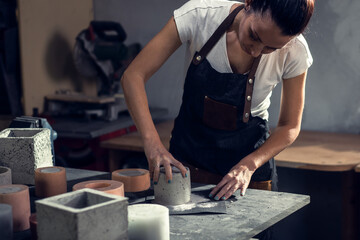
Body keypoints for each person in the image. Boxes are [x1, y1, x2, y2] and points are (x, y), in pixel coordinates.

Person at [121, 0, 314, 201]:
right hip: (189, 160)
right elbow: (133, 76)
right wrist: (152, 145)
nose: (256, 51)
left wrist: (248, 166)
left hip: (249, 171)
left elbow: (289, 126)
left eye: (271, 48)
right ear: (249, 3)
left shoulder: (295, 50)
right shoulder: (199, 16)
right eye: (254, 36)